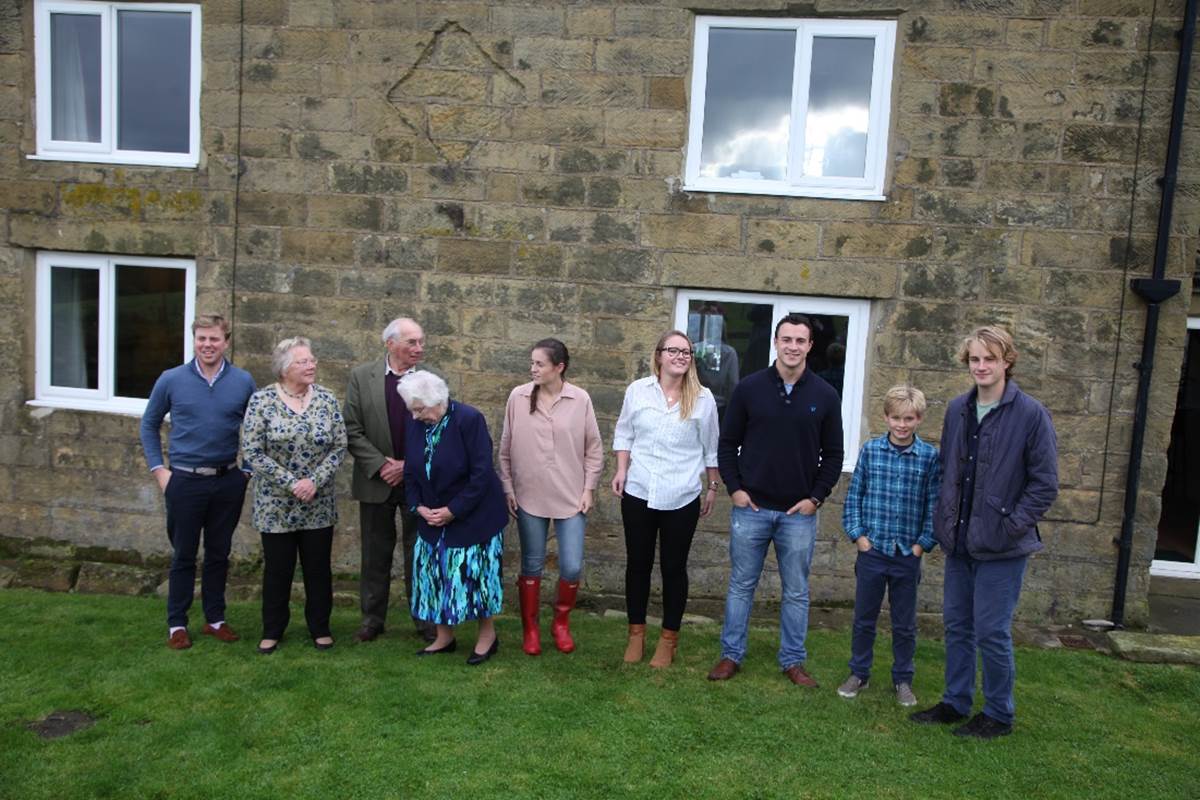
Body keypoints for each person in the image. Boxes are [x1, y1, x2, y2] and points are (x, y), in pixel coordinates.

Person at [910, 326, 1058, 739]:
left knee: (992, 631)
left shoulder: (1031, 414)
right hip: (959, 542)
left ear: (1007, 361)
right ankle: (955, 702)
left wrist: (1012, 524)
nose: (981, 366)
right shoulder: (958, 408)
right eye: (974, 359)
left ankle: (998, 713)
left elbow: (1044, 483)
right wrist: (944, 519)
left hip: (1002, 546)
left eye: (989, 359)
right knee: (957, 625)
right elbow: (948, 471)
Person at [707, 313, 844, 687]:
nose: (793, 347)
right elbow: (726, 443)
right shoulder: (749, 388)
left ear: (810, 346)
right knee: (740, 585)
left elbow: (834, 454)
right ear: (776, 342)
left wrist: (816, 498)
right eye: (787, 339)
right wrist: (735, 489)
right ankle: (731, 655)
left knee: (797, 591)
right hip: (750, 508)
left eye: (800, 341)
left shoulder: (825, 395)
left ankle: (793, 661)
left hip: (798, 513)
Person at [140, 313, 256, 650]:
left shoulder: (243, 381)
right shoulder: (171, 379)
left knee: (219, 553)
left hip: (227, 481)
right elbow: (149, 424)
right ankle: (177, 624)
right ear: (194, 340)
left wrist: (246, 471)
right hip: (184, 481)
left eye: (214, 339)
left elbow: (257, 428)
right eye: (201, 338)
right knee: (184, 555)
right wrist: (158, 470)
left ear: (226, 341)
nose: (207, 345)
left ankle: (215, 619)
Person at [611, 330, 720, 668]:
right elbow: (624, 433)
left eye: (686, 352)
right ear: (658, 356)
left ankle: (669, 639)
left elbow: (711, 448)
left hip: (682, 495)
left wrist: (713, 486)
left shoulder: (703, 398)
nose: (680, 356)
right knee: (638, 566)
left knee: (674, 568)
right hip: (639, 490)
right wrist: (620, 470)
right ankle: (636, 634)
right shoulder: (637, 392)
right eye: (673, 350)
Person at [241, 338, 347, 654]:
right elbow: (252, 450)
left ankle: (320, 628)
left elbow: (340, 446)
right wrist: (292, 482)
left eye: (312, 360)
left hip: (318, 502)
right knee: (278, 570)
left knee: (318, 569)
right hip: (275, 503)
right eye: (303, 361)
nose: (311, 365)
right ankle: (273, 629)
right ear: (286, 368)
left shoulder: (327, 399)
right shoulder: (261, 401)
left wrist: (313, 481)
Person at [838, 385, 941, 706]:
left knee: (905, 624)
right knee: (864, 618)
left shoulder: (928, 457)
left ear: (919, 419)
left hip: (906, 554)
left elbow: (934, 506)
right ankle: (859, 673)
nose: (902, 424)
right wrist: (859, 536)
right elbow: (855, 497)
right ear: (886, 417)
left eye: (909, 418)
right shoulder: (870, 451)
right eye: (896, 418)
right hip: (873, 551)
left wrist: (922, 545)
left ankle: (903, 679)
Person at [500, 338, 603, 656]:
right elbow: (504, 448)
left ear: (559, 367)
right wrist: (508, 488)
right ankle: (530, 629)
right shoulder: (518, 397)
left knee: (571, 566)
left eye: (539, 364)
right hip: (529, 497)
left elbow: (594, 450)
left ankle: (561, 623)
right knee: (532, 565)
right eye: (531, 363)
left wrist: (588, 489)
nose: (533, 369)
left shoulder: (580, 399)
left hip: (571, 498)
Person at [399, 372, 509, 665]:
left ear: (438, 400)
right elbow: (410, 470)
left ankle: (487, 637)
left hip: (475, 516)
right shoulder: (416, 424)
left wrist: (453, 511)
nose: (414, 415)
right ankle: (443, 637)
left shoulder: (469, 419)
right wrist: (417, 506)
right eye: (412, 408)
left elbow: (481, 473)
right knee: (433, 576)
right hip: (431, 516)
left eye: (419, 408)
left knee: (477, 578)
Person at [344, 317, 436, 643]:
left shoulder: (431, 379)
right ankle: (372, 620)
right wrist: (382, 464)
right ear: (390, 344)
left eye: (421, 342)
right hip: (376, 479)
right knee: (374, 554)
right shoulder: (361, 377)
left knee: (420, 553)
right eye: (412, 342)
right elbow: (352, 429)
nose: (419, 348)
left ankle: (424, 620)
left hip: (418, 482)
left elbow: (439, 430)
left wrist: (407, 465)